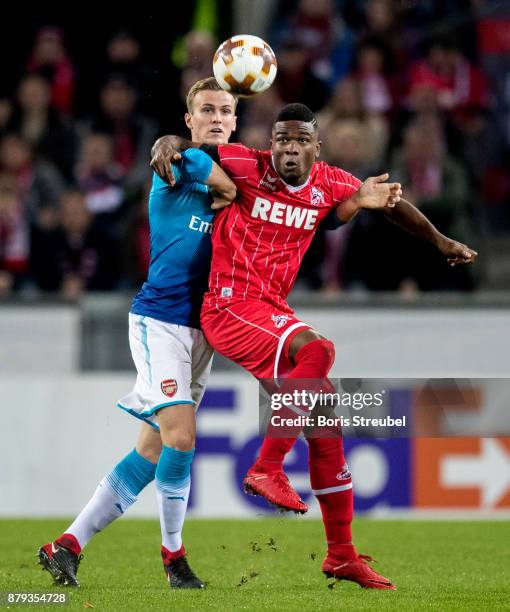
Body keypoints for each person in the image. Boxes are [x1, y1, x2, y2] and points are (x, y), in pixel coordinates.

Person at [150, 103, 477, 589]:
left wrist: (441, 240)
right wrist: (168, 143)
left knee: (326, 424)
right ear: (272, 143)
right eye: (281, 139)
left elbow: (390, 204)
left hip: (270, 310)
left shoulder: (330, 183)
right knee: (319, 350)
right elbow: (193, 152)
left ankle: (342, 555)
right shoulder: (247, 163)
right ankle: (266, 467)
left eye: (299, 140)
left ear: (315, 147)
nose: (288, 148)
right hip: (228, 305)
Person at [37, 78, 238, 589]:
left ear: (236, 122)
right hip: (161, 323)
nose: (216, 117)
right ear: (188, 120)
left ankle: (66, 546)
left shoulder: (238, 178)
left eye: (225, 110)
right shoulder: (174, 166)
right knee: (183, 436)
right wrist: (170, 144)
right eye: (205, 110)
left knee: (152, 451)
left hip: (203, 333)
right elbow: (201, 168)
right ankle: (174, 558)